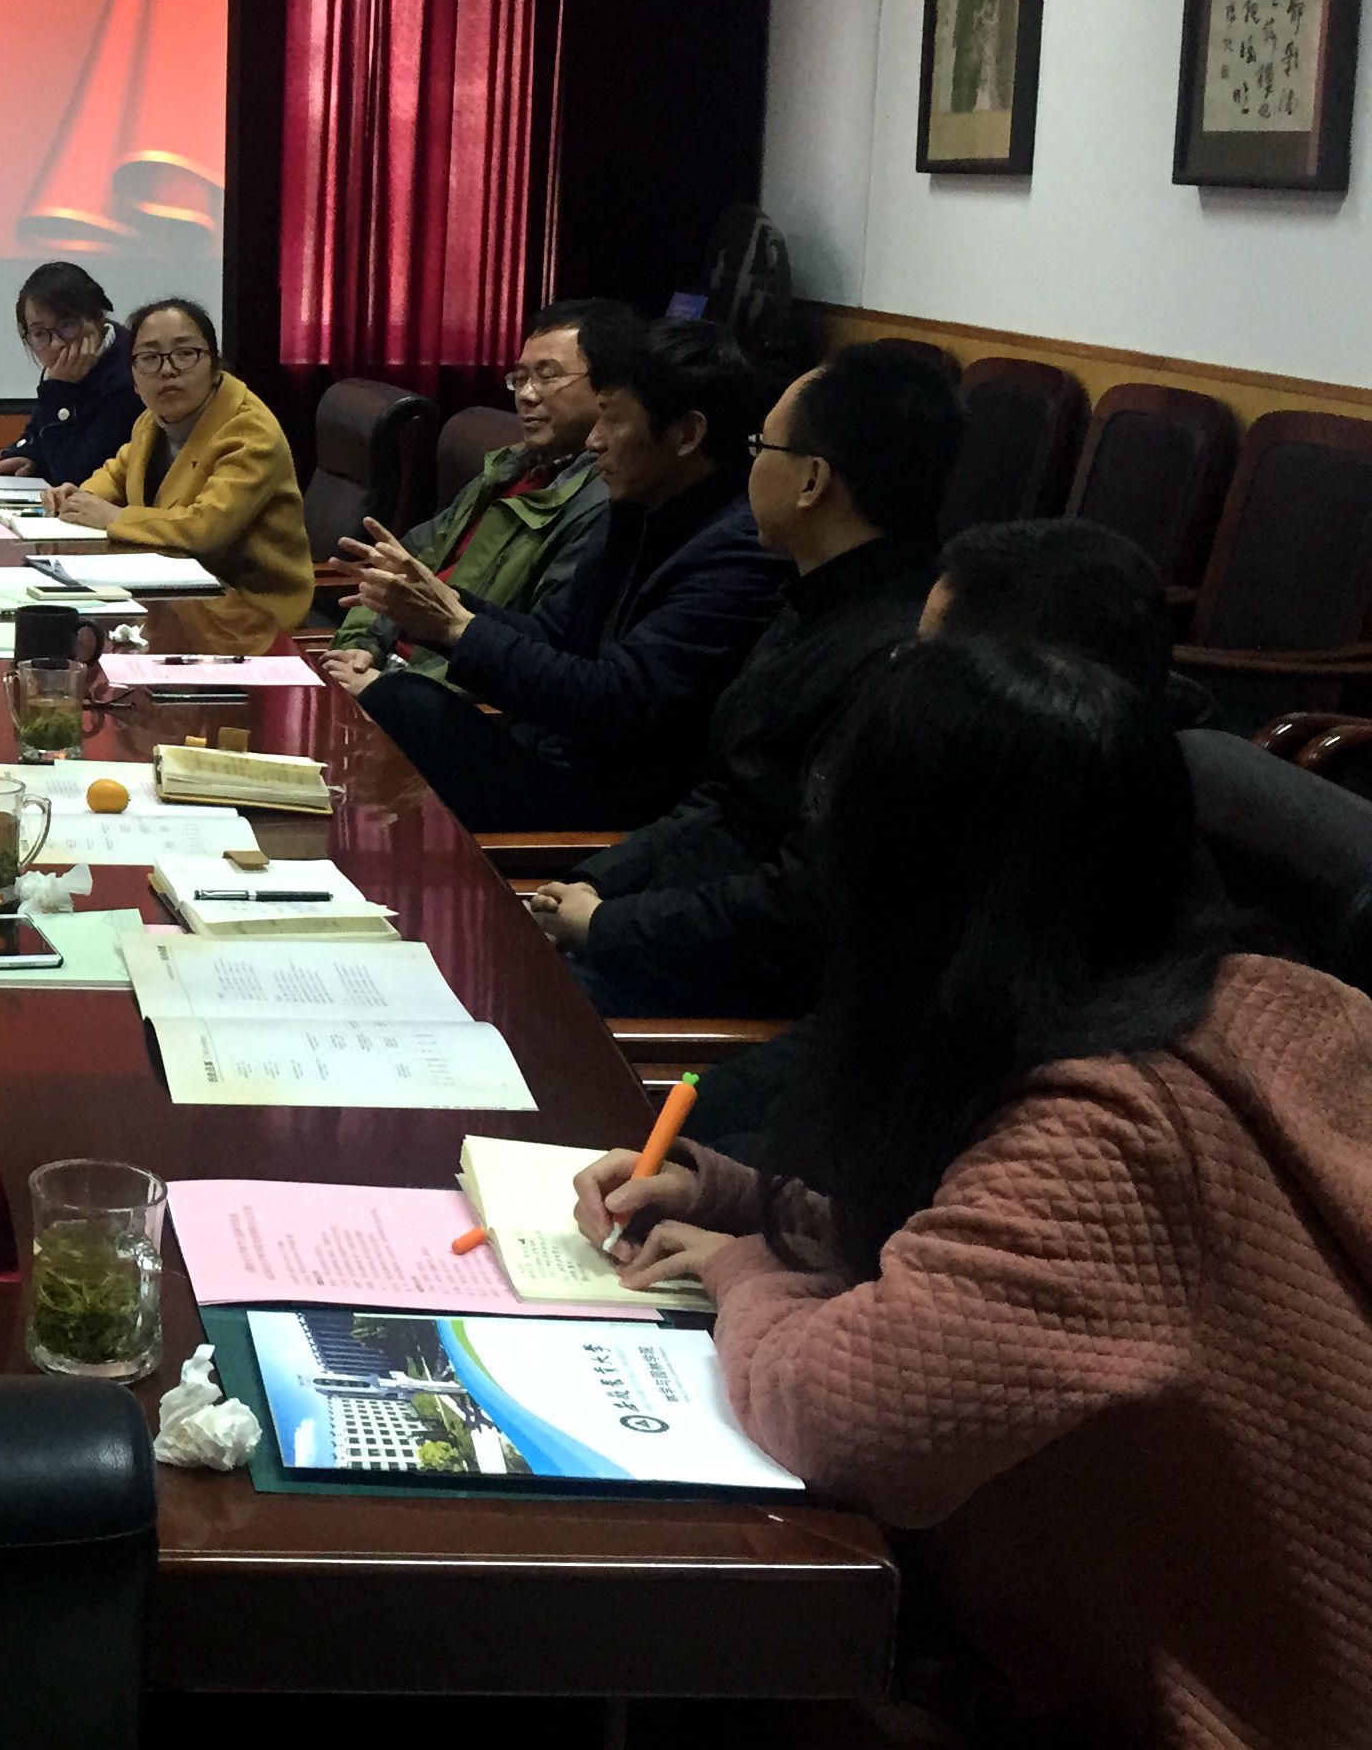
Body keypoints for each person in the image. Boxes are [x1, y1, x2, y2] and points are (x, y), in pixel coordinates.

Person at [571, 636, 1372, 1749]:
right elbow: (971, 1247)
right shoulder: (1265, 1002)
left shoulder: (1112, 1132)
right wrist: (744, 1199)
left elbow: (848, 1419)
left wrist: (744, 1270)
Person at [685, 515, 1372, 1160]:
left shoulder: (1107, 1042)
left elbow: (928, 1179)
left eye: (921, 658)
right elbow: (864, 1034)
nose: (894, 682)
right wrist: (706, 1159)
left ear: (1019, 696)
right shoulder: (1017, 839)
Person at [528, 340, 965, 1015]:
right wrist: (594, 885)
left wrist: (608, 925)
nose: (748, 464)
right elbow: (727, 796)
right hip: (674, 925)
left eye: (762, 446)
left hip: (743, 985)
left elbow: (803, 908)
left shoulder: (902, 658)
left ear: (812, 481)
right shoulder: (813, 597)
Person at [344, 317, 789, 830]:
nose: (595, 442)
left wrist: (456, 628)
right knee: (398, 705)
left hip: (617, 807)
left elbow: (614, 700)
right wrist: (441, 607)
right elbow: (553, 634)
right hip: (548, 754)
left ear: (686, 434)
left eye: (612, 421)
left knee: (401, 703)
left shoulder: (740, 552)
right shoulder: (638, 510)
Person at [320, 298, 633, 694]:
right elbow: (407, 563)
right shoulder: (507, 467)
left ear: (610, 387)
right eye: (520, 378)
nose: (527, 395)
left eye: (547, 376)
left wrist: (387, 689)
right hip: (382, 675)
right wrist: (360, 646)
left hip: (440, 700)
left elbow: (536, 654)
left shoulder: (604, 501)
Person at [46, 297, 311, 652]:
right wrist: (78, 498)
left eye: (185, 354)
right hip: (172, 601)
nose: (168, 370)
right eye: (150, 358)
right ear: (133, 377)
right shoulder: (152, 420)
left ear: (214, 366)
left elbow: (206, 529)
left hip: (246, 616)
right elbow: (117, 473)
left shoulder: (249, 431)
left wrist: (113, 518)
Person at [0, 261, 145, 486]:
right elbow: (39, 436)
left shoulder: (131, 374)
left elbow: (77, 476)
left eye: (67, 325)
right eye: (39, 333)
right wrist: (31, 458)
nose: (56, 344)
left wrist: (59, 392)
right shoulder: (67, 373)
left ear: (98, 318)